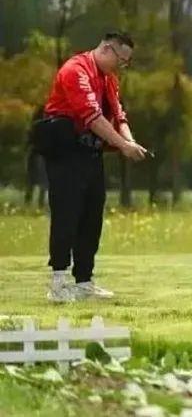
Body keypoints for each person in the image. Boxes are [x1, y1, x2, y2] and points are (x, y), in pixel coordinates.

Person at [37, 32, 149, 303]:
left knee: (91, 217)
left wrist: (131, 142)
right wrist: (122, 146)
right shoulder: (76, 71)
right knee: (67, 214)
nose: (121, 66)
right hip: (66, 152)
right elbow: (93, 118)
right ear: (107, 49)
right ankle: (59, 282)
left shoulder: (108, 79)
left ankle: (84, 280)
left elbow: (118, 115)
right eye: (121, 60)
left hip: (91, 153)